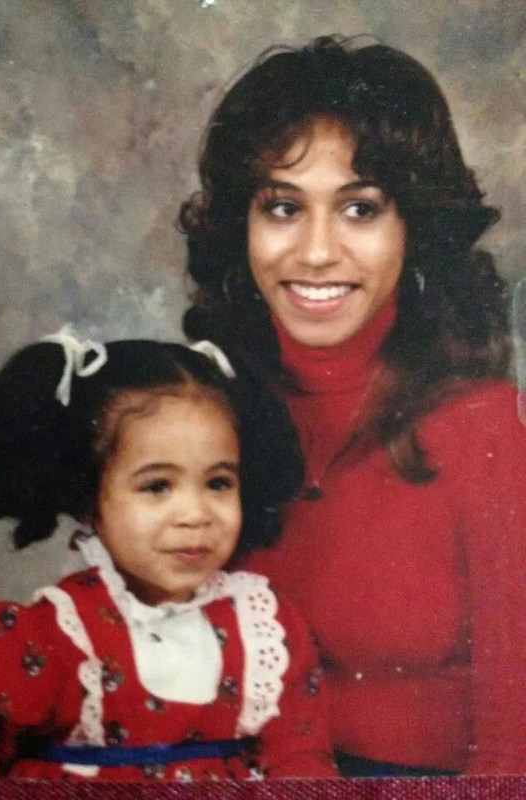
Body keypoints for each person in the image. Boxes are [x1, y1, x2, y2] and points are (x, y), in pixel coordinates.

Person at [179, 35, 526, 776]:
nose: (315, 252)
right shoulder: (202, 411)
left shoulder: (481, 426)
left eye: (360, 210)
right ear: (240, 226)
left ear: (415, 230)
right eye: (281, 207)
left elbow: (512, 751)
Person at [0, 329, 337, 780]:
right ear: (90, 501)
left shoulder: (267, 632)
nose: (195, 515)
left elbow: (302, 766)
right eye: (157, 487)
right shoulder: (46, 638)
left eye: (218, 483)